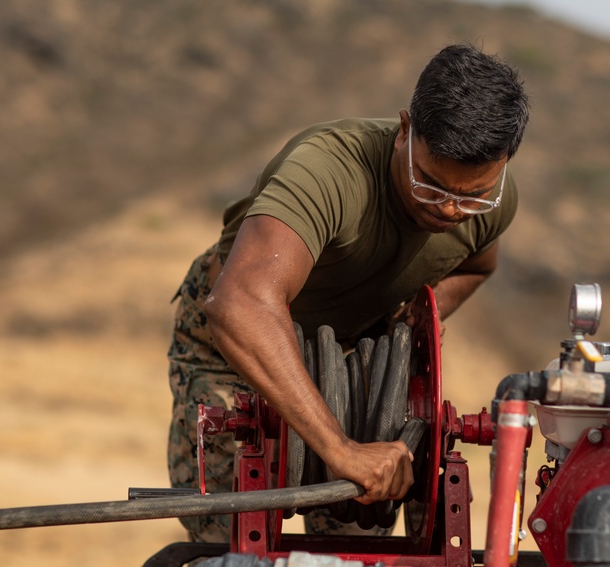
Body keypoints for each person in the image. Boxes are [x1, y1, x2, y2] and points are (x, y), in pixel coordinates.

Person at [166, 43, 529, 542]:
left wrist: (412, 327)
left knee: (351, 537)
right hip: (235, 347)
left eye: (470, 196)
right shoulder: (326, 172)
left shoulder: (493, 203)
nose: (449, 211)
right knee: (229, 539)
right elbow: (239, 306)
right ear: (405, 131)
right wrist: (338, 449)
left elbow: (477, 265)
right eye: (429, 185)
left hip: (349, 367)